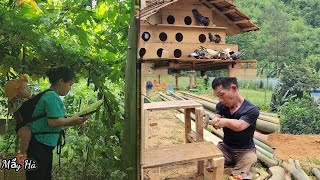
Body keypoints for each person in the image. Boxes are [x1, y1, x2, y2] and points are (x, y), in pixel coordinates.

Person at [26, 67, 89, 180]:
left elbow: (58, 120)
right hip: (39, 146)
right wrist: (72, 120)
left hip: (41, 145)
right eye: (70, 84)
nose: (70, 88)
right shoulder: (51, 96)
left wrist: (76, 120)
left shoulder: (51, 96)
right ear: (60, 81)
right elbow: (53, 122)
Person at [206, 77, 259, 180]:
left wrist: (224, 122)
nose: (220, 99)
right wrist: (215, 120)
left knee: (250, 159)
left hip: (245, 151)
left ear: (233, 89)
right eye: (218, 96)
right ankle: (232, 164)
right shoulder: (221, 106)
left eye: (222, 94)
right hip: (226, 148)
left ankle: (240, 172)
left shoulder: (252, 110)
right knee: (210, 164)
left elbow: (240, 126)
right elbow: (217, 116)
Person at [4, 74, 32, 164]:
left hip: (33, 125)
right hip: (22, 126)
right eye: (24, 88)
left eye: (27, 87)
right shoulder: (16, 102)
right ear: (16, 94)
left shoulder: (29, 99)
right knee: (26, 133)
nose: (28, 89)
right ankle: (22, 155)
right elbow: (13, 109)